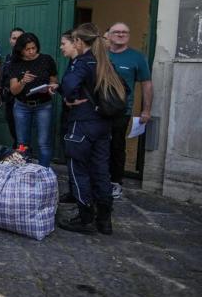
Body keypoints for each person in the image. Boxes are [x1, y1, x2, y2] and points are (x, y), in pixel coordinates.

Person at [52, 23, 127, 235]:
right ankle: (104, 220)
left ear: (78, 42)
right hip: (103, 125)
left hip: (82, 124)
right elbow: (124, 89)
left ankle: (85, 217)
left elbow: (68, 86)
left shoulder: (82, 63)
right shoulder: (104, 62)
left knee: (78, 171)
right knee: (101, 173)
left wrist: (70, 99)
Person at [106, 22, 154, 198]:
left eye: (125, 32)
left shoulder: (137, 57)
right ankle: (99, 179)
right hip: (98, 110)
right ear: (109, 35)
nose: (121, 34)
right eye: (116, 32)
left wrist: (146, 110)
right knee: (98, 146)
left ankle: (115, 182)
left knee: (117, 146)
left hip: (121, 111)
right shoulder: (100, 55)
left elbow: (147, 84)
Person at [8, 32, 58, 167]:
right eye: (27, 49)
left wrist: (50, 88)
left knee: (44, 142)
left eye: (34, 48)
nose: (31, 51)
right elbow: (13, 90)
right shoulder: (15, 63)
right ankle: (24, 172)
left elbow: (54, 81)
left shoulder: (46, 59)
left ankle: (43, 173)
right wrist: (23, 81)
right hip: (22, 106)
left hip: (43, 105)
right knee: (22, 143)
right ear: (21, 50)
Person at [58, 29, 80, 203]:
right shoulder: (73, 63)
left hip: (79, 120)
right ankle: (74, 192)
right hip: (69, 117)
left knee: (78, 161)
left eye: (64, 43)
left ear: (76, 43)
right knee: (71, 158)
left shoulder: (83, 64)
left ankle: (83, 203)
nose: (61, 47)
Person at [0, 27, 25, 147]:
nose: (17, 41)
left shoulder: (28, 58)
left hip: (22, 101)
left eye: (20, 38)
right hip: (9, 100)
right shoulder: (8, 58)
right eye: (14, 38)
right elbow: (4, 78)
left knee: (22, 134)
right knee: (13, 129)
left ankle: (21, 157)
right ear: (10, 40)